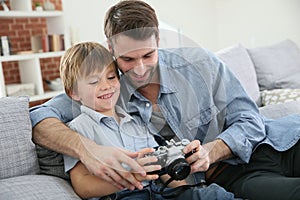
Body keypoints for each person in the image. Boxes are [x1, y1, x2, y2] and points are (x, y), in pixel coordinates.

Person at [30, 0, 300, 199]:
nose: (139, 69)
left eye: (148, 55)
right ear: (111, 48)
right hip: (238, 176)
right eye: (127, 59)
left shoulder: (200, 63)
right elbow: (39, 118)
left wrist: (212, 150)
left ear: (159, 40)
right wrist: (89, 149)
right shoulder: (107, 87)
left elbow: (251, 120)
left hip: (281, 140)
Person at [59, 42, 234, 199]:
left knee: (212, 194)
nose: (106, 86)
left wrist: (187, 189)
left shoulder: (135, 120)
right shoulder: (78, 129)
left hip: (158, 190)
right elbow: (82, 186)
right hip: (123, 195)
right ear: (73, 93)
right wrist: (130, 178)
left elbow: (160, 168)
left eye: (111, 77)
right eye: (94, 82)